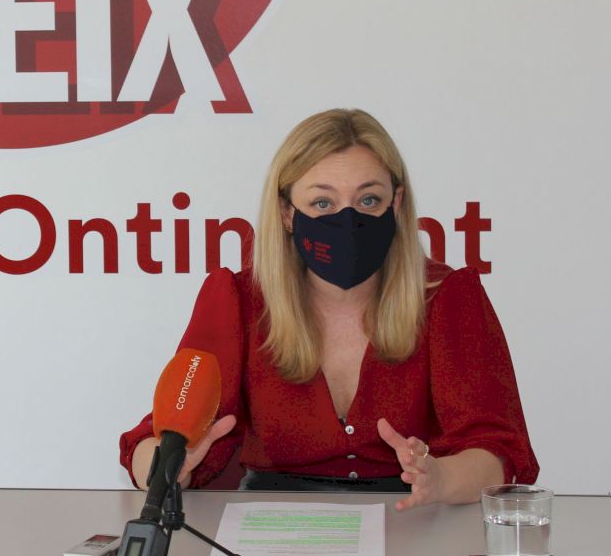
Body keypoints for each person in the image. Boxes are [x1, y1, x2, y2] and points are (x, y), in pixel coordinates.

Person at [120, 109, 537, 509]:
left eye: (369, 199)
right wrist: (168, 467)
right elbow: (153, 441)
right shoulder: (237, 300)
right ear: (287, 213)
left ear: (396, 204)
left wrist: (440, 478)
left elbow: (496, 453)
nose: (348, 221)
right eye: (323, 203)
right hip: (270, 526)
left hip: (410, 517)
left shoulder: (447, 296)